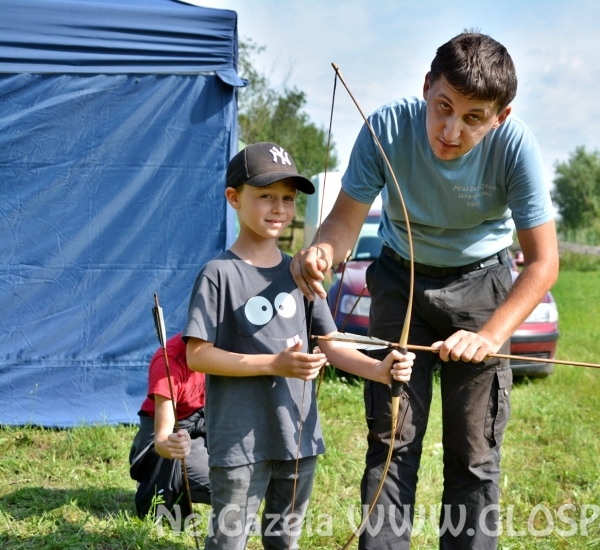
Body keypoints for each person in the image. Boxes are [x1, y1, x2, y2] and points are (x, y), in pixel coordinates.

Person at [291, 32, 560, 549]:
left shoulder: (516, 147)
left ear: (499, 117)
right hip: (401, 280)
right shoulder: (387, 127)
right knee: (392, 441)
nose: (451, 131)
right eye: (442, 107)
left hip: (483, 284)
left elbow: (543, 262)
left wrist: (488, 334)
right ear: (425, 88)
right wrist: (323, 251)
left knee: (474, 451)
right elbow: (342, 224)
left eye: (473, 118)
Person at [183, 142, 415, 550]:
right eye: (266, 196)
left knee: (284, 541)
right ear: (234, 199)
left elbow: (330, 344)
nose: (279, 208)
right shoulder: (218, 273)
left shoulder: (300, 273)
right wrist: (275, 363)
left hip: (298, 439)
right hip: (239, 443)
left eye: (288, 199)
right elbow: (197, 354)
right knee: (228, 541)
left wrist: (378, 370)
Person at [129, 332, 210, 520]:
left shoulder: (227, 348)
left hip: (206, 420)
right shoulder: (168, 361)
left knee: (244, 473)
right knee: (224, 485)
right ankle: (158, 479)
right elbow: (162, 439)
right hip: (173, 429)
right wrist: (175, 445)